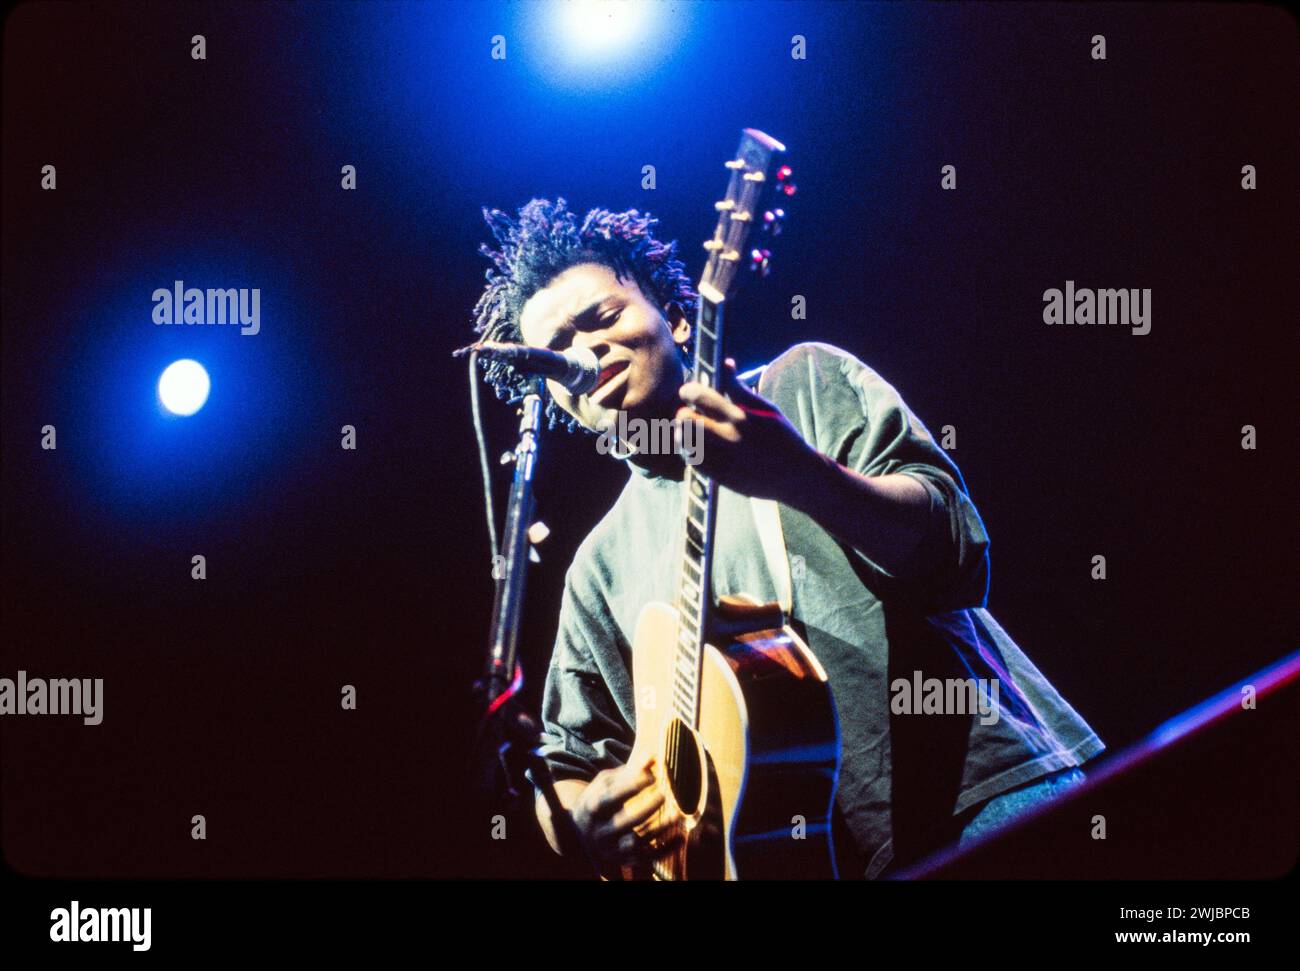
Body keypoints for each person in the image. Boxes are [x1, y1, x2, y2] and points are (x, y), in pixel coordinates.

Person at [470, 197, 1105, 879]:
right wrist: (586, 814)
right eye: (555, 350)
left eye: (603, 318)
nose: (583, 352)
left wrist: (800, 473)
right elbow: (566, 763)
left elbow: (955, 550)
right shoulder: (599, 567)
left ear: (677, 316)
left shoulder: (802, 383)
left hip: (976, 800)